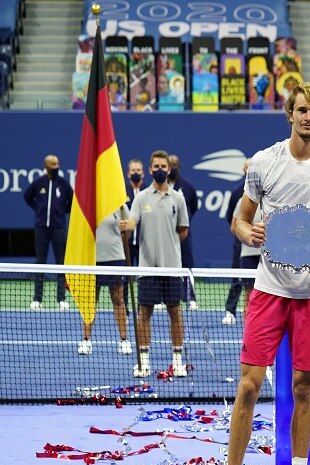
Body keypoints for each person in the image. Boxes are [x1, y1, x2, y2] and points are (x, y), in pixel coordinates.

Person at [211, 82, 310, 465]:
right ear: (289, 114)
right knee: (249, 386)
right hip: (269, 291)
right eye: (301, 110)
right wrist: (245, 233)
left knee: (302, 389)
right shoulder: (265, 163)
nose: (308, 117)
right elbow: (240, 218)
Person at [119, 150, 190, 378]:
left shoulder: (178, 199)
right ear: (150, 170)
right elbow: (132, 221)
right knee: (144, 313)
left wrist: (166, 245)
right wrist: (126, 226)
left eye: (163, 166)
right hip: (147, 266)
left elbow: (183, 231)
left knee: (175, 312)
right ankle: (144, 362)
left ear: (169, 169)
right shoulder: (141, 198)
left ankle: (177, 361)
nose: (160, 169)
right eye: (156, 166)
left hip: (172, 267)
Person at [77, 205, 133, 356]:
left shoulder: (120, 205)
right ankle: (86, 340)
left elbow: (128, 232)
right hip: (92, 258)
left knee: (118, 299)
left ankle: (124, 341)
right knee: (91, 299)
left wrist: (124, 228)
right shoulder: (89, 201)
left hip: (115, 257)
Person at [23, 154, 74, 311]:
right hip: (41, 228)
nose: (56, 167)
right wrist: (39, 210)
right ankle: (37, 299)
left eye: (57, 164)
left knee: (60, 264)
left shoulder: (64, 185)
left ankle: (61, 299)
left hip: (58, 228)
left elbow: (71, 203)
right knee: (40, 263)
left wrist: (59, 213)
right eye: (53, 165)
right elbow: (27, 197)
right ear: (46, 166)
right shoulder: (39, 184)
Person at [222, 159, 260, 325]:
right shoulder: (240, 196)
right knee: (249, 295)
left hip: (270, 254)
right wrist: (248, 235)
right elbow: (234, 224)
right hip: (247, 251)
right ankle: (248, 335)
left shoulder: (275, 196)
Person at [168, 154, 200, 310]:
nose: (172, 168)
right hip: (166, 236)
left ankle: (190, 298)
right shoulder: (161, 186)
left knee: (187, 265)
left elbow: (193, 206)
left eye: (175, 165)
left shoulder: (187, 187)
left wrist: (182, 224)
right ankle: (164, 298)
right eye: (170, 165)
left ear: (179, 167)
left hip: (183, 235)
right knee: (166, 266)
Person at [125, 158, 146, 267]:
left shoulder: (148, 192)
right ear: (128, 173)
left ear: (143, 173)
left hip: (144, 244)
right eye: (133, 170)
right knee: (124, 279)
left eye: (138, 170)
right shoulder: (122, 192)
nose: (136, 173)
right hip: (126, 244)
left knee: (144, 278)